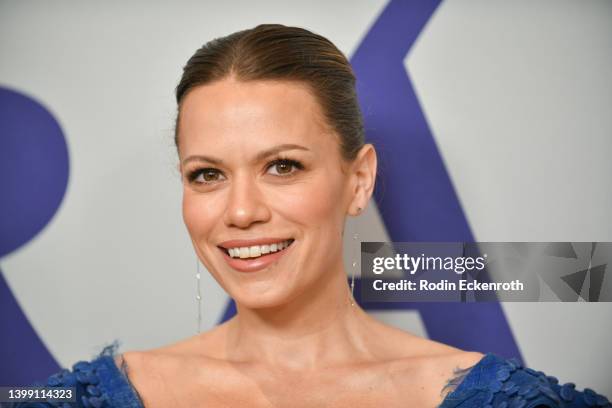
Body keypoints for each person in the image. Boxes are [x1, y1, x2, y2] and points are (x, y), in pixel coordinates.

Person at [8, 24, 610, 408]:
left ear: (358, 179)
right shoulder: (85, 400)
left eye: (283, 166)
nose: (240, 211)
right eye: (207, 174)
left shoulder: (510, 400)